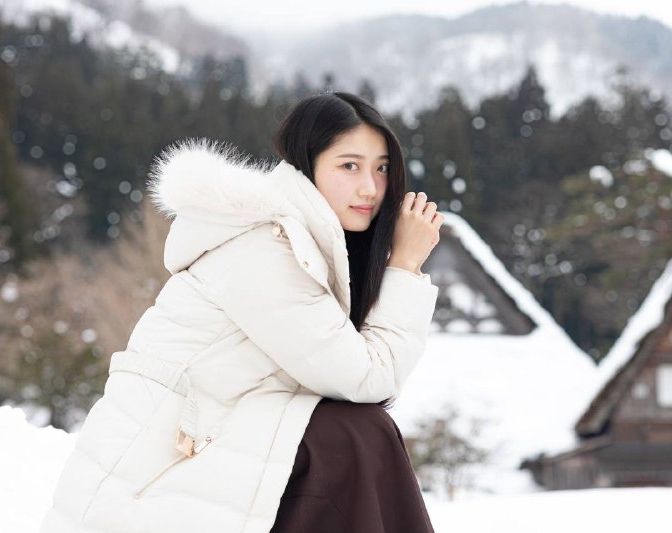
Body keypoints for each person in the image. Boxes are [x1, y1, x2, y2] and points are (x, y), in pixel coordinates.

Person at [40, 92, 443, 533]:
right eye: (349, 166)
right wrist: (404, 266)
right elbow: (369, 377)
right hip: (149, 482)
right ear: (307, 165)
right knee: (356, 434)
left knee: (354, 433)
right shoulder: (264, 248)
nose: (370, 187)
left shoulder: (304, 245)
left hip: (207, 447)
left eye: (381, 168)